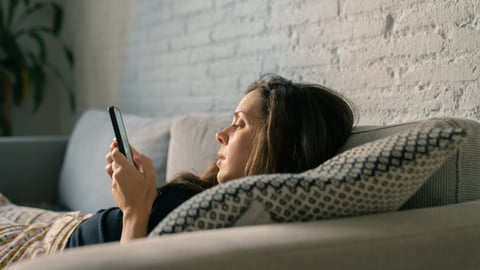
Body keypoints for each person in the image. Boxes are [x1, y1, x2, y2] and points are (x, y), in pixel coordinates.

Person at [0, 74, 355, 265]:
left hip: (51, 252)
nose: (221, 134)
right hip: (62, 226)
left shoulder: (230, 220)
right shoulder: (211, 197)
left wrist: (134, 210)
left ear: (276, 143)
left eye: (240, 124)